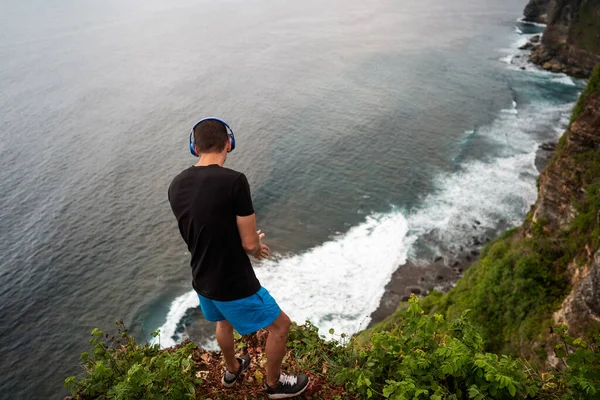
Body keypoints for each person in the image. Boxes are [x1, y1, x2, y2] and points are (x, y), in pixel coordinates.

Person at [168, 118, 309, 399]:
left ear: (194, 147)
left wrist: (242, 240)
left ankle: (232, 370)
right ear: (228, 143)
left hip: (201, 275)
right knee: (281, 326)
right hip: (231, 279)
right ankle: (274, 385)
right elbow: (247, 244)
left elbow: (203, 227)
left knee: (223, 322)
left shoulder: (176, 184)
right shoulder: (234, 181)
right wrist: (257, 246)